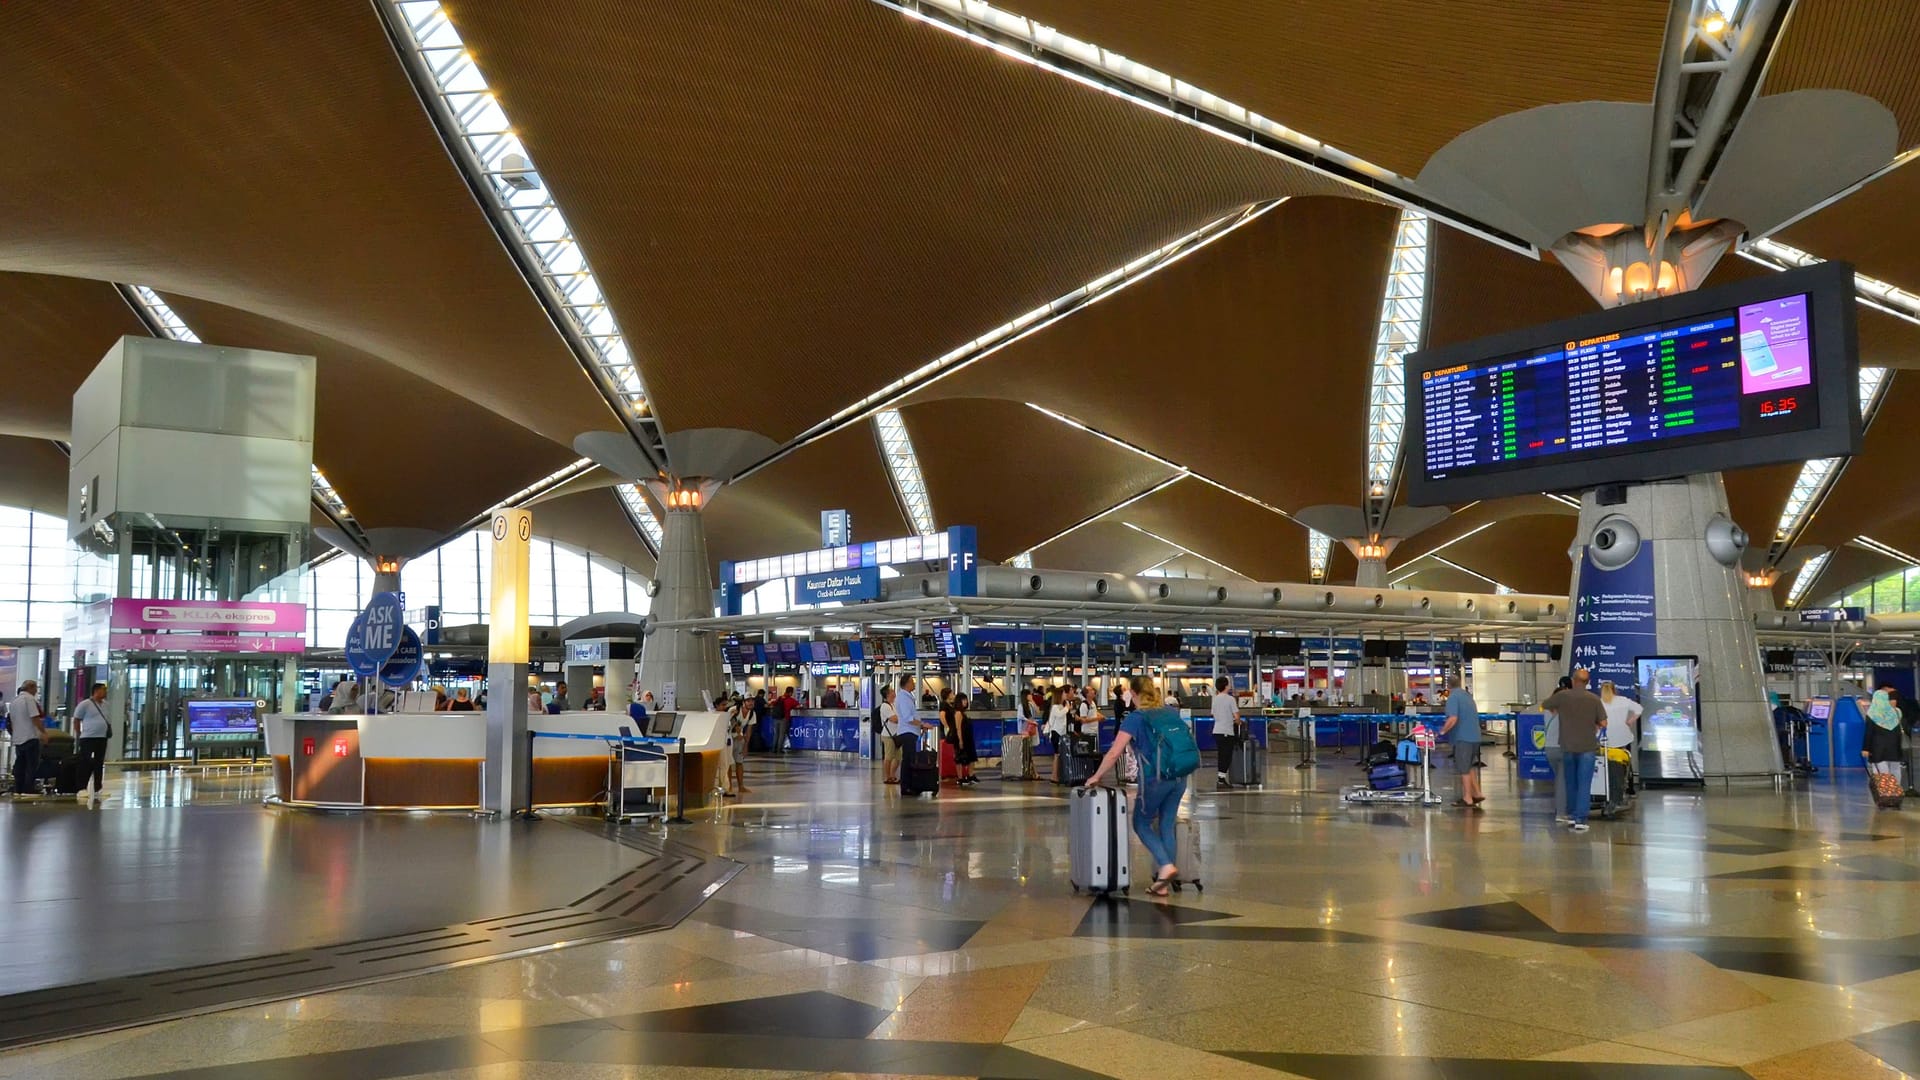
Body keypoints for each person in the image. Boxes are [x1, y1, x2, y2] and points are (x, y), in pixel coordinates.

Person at [1085, 677, 1186, 897]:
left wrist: (1097, 775)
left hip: (1154, 778)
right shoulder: (1170, 712)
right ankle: (1163, 883)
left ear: (1134, 693)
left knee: (1141, 823)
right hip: (1179, 775)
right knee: (1167, 824)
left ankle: (1166, 866)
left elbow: (1114, 752)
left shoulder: (1136, 718)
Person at [1544, 669, 1607, 832]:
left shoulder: (1563, 696)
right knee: (1584, 784)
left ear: (1573, 680)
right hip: (1587, 747)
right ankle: (1580, 819)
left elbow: (1546, 704)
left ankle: (1572, 815)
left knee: (1570, 782)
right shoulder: (1594, 699)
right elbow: (1604, 722)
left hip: (1567, 746)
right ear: (1587, 682)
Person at [1440, 676, 1484, 809]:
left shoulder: (1453, 698)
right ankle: (1477, 793)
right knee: (1469, 766)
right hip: (1475, 737)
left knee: (1464, 769)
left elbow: (1453, 718)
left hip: (1463, 738)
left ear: (1448, 686)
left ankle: (1467, 798)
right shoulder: (1468, 696)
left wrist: (1442, 731)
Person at [72, 681, 112, 801]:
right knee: (86, 762)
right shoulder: (85, 704)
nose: (105, 692)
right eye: (103, 690)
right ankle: (81, 788)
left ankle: (98, 788)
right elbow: (77, 719)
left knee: (99, 762)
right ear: (96, 691)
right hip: (88, 737)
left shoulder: (105, 704)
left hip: (102, 737)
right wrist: (79, 733)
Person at [1599, 680, 1644, 782]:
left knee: (1606, 763)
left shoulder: (1599, 703)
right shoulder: (1623, 700)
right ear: (1614, 689)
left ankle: (1609, 786)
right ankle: (1630, 786)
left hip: (1605, 739)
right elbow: (1639, 708)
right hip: (1623, 737)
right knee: (1626, 761)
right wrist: (1630, 721)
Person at [1543, 675, 1572, 823]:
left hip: (1549, 749)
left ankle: (1563, 808)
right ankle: (1562, 813)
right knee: (1563, 781)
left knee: (1560, 779)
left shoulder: (1547, 710)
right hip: (1563, 748)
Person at [8, 680, 43, 795]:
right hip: (30, 737)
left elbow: (12, 721)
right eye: (36, 689)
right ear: (31, 688)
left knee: (20, 766)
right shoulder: (29, 699)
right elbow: (35, 717)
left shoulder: (14, 701)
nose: (36, 691)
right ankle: (28, 790)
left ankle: (19, 789)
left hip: (18, 738)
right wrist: (44, 732)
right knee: (31, 766)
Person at [1863, 688, 1905, 782]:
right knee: (1895, 769)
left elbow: (1869, 732)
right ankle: (1896, 790)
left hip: (1878, 748)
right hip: (1894, 746)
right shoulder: (1896, 711)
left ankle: (1887, 791)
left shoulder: (1872, 713)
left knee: (1883, 771)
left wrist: (1866, 748)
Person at [1210, 677, 1241, 787]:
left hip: (1217, 730)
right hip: (1227, 731)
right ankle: (1221, 779)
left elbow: (1213, 714)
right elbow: (1237, 716)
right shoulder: (1230, 699)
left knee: (1221, 755)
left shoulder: (1215, 699)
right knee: (1226, 756)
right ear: (1226, 686)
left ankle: (1221, 778)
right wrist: (1238, 722)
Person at [945, 692, 978, 786]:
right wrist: (960, 740)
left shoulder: (963, 713)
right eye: (963, 700)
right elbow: (958, 728)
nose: (966, 702)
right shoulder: (958, 713)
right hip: (961, 738)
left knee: (971, 757)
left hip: (967, 738)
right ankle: (960, 778)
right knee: (960, 758)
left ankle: (970, 775)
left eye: (966, 700)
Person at [1045, 686, 1071, 784]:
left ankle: (1057, 775)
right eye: (1064, 693)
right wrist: (1067, 708)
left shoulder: (1061, 706)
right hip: (1056, 733)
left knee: (1059, 755)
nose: (1066, 695)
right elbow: (1060, 715)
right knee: (1057, 755)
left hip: (1061, 733)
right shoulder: (1056, 707)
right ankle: (1054, 776)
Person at [878, 686, 903, 785]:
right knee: (888, 757)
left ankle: (893, 775)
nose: (894, 692)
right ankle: (887, 777)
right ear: (887, 694)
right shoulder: (885, 706)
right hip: (888, 736)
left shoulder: (893, 705)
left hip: (896, 735)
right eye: (892, 691)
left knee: (898, 757)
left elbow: (898, 717)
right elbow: (894, 719)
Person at [773, 686, 798, 753]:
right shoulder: (790, 700)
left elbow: (773, 704)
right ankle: (779, 749)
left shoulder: (780, 698)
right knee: (782, 735)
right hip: (784, 719)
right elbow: (798, 705)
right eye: (792, 692)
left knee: (776, 734)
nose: (792, 694)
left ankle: (773, 749)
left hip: (776, 718)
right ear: (790, 692)